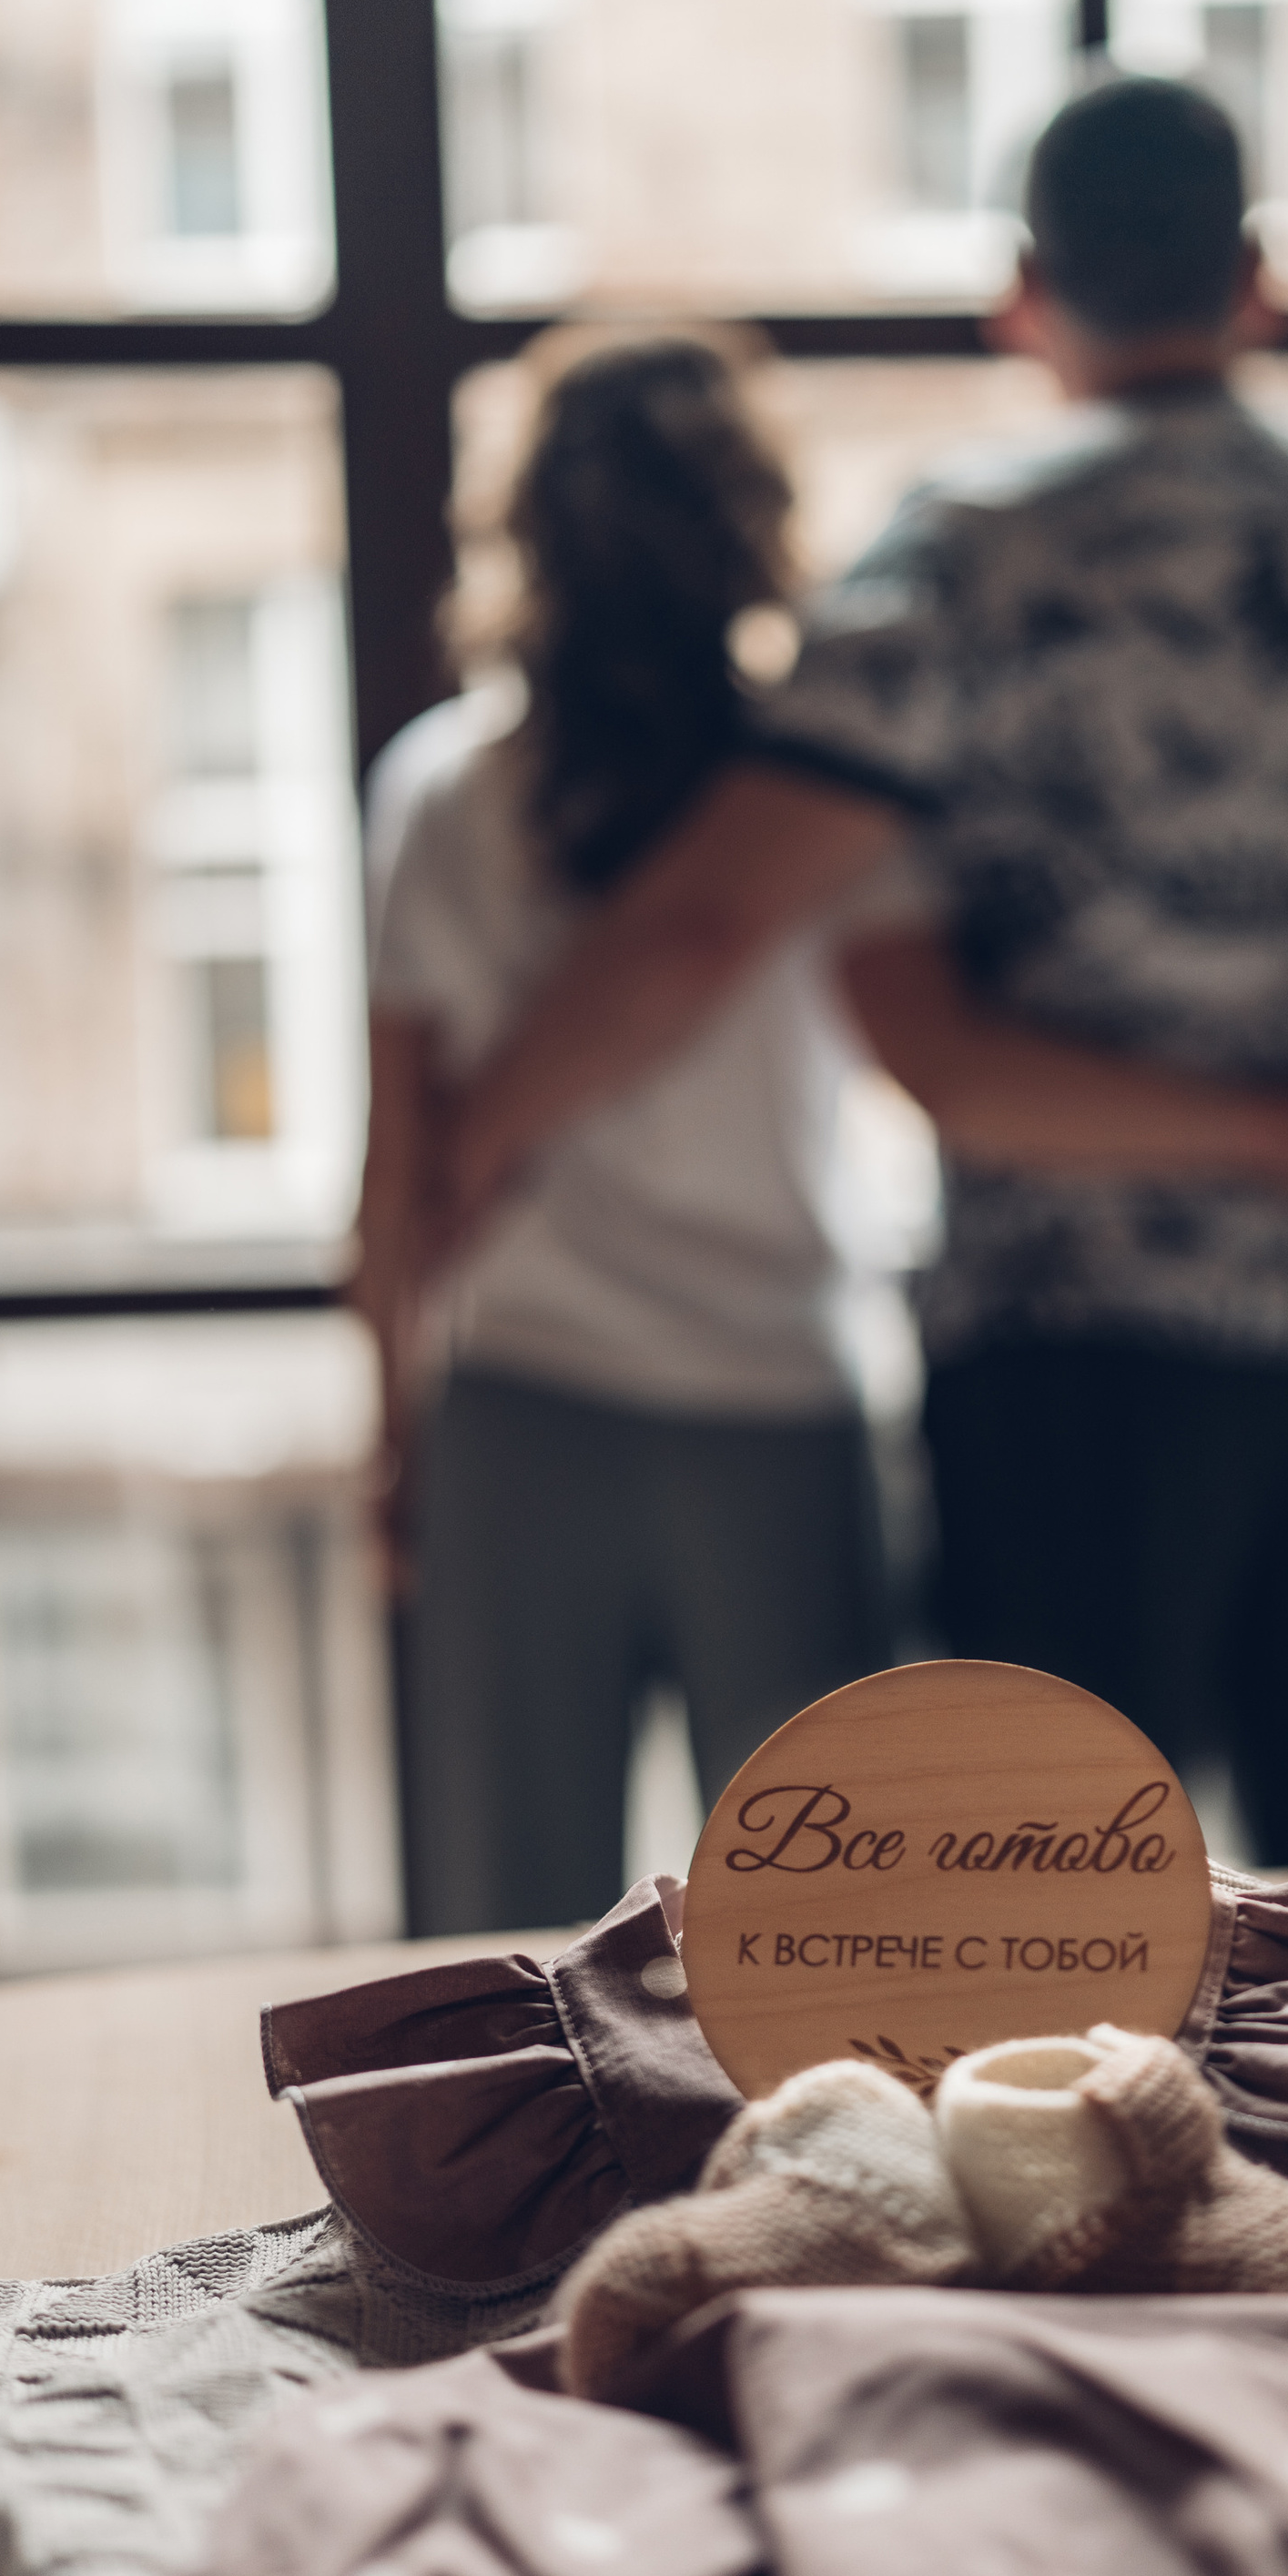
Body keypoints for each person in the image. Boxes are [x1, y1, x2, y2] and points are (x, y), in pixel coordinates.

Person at [431, 78, 1288, 1866]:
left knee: (1060, 1925)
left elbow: (722, 933)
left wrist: (473, 1131)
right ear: (1255, 280)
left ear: (1021, 291)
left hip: (1068, 1361)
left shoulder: (964, 562)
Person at [357, 331, 896, 1932]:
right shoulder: (819, 786)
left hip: (523, 1403)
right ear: (752, 519)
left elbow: (399, 1164)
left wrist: (396, 1433)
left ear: (528, 526)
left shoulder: (447, 789)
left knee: (509, 1929)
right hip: (778, 1400)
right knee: (824, 1944)